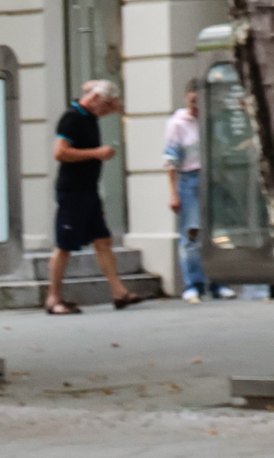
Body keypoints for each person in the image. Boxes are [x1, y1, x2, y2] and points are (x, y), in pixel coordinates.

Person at [45, 80, 145, 316]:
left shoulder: (89, 118)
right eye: (107, 106)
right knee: (64, 245)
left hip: (88, 190)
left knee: (102, 240)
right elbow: (60, 152)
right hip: (73, 191)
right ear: (96, 99)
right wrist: (96, 154)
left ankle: (119, 291)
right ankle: (53, 298)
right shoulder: (72, 118)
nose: (108, 111)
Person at [164, 82, 207, 302]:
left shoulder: (210, 120)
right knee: (191, 231)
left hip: (211, 177)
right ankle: (193, 283)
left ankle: (217, 282)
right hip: (189, 177)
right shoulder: (178, 124)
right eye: (193, 101)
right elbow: (170, 159)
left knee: (214, 231)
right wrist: (174, 192)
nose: (197, 106)